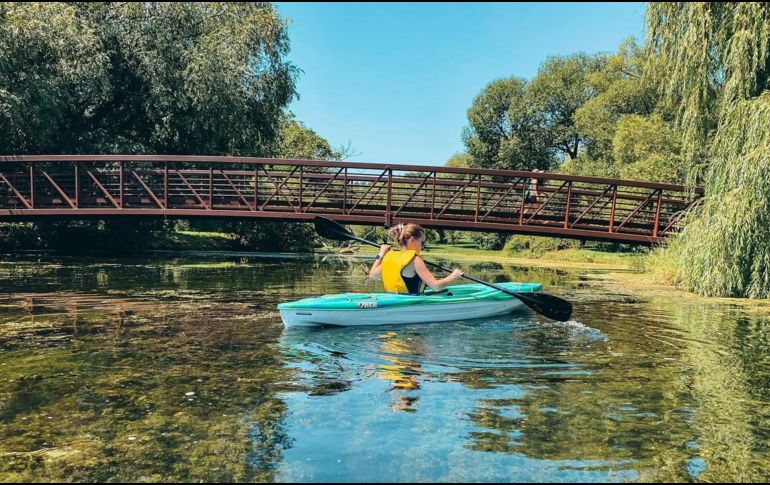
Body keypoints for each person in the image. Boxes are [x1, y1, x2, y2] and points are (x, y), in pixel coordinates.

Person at [369, 223, 463, 295]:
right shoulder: (415, 259)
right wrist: (453, 276)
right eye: (422, 242)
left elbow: (372, 275)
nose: (422, 246)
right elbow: (436, 286)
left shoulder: (390, 256)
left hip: (392, 299)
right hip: (410, 304)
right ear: (413, 240)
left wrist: (381, 254)